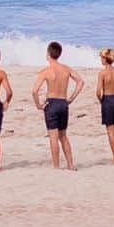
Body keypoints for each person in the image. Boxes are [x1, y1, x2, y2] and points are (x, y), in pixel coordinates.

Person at [32, 41, 85, 171]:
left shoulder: (46, 71)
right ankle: (70, 164)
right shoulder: (66, 69)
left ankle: (56, 166)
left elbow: (34, 91)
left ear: (48, 54)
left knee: (53, 137)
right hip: (63, 103)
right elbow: (81, 81)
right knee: (63, 136)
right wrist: (71, 98)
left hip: (52, 103)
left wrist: (39, 105)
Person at [96, 48, 114, 165]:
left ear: (105, 59)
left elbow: (98, 91)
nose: (101, 60)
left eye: (101, 58)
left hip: (107, 99)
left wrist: (101, 100)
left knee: (110, 130)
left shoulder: (102, 73)